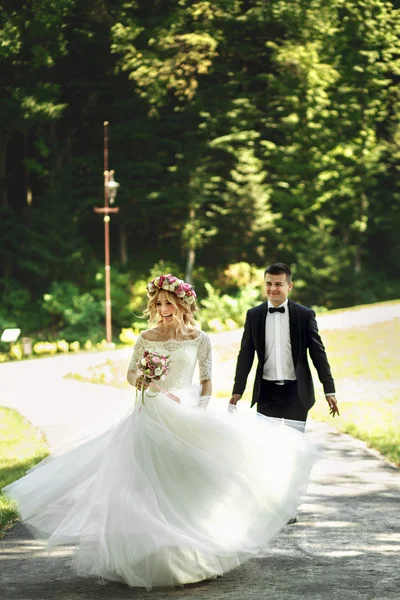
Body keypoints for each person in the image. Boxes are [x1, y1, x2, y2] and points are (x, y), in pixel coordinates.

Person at [3, 273, 317, 590]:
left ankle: (197, 553)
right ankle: (148, 557)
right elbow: (130, 372)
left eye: (168, 302)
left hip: (186, 415)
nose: (163, 308)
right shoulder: (146, 337)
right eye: (159, 303)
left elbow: (207, 379)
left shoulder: (199, 338)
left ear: (182, 303)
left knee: (188, 486)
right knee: (143, 485)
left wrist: (200, 411)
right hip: (149, 413)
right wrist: (144, 380)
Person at [229, 262, 339, 427]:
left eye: (278, 284)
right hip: (266, 393)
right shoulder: (254, 315)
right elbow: (245, 354)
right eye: (269, 283)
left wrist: (329, 389)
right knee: (267, 446)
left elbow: (318, 353)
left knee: (294, 448)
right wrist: (238, 390)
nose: (273, 288)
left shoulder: (304, 315)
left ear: (290, 286)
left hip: (297, 393)